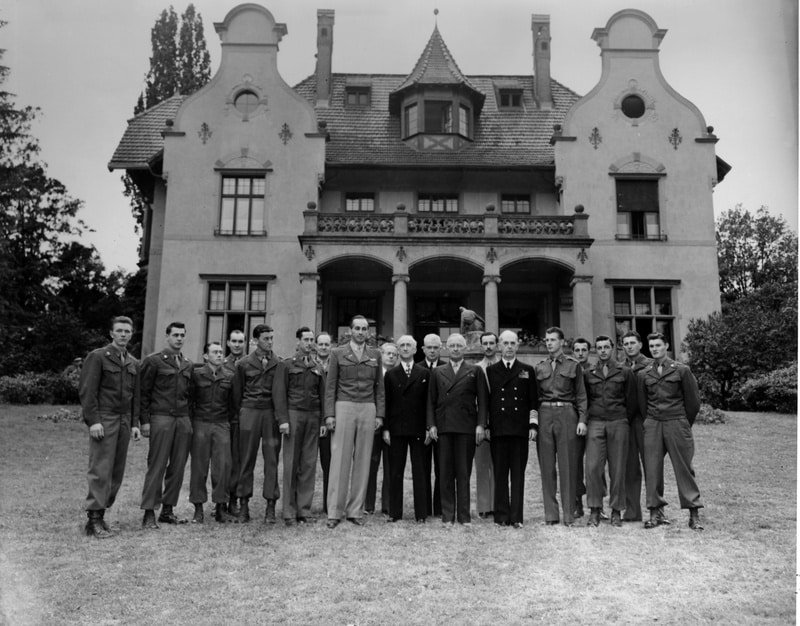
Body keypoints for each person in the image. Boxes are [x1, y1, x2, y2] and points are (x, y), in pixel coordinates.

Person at [79, 316, 141, 538]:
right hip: (104, 419)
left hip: (124, 420)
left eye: (127, 331)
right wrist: (94, 420)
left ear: (132, 334)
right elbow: (88, 391)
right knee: (101, 468)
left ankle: (101, 515)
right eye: (119, 331)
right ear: (111, 333)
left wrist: (134, 423)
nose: (124, 334)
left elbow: (136, 397)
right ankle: (93, 520)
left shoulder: (133, 362)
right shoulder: (98, 357)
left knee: (116, 470)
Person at [638, 333, 704, 530]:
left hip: (676, 421)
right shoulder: (644, 373)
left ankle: (694, 514)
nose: (655, 349)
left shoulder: (681, 370)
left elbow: (693, 402)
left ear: (666, 346)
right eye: (651, 346)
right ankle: (654, 513)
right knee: (652, 468)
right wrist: (650, 422)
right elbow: (643, 404)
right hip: (654, 423)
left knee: (684, 468)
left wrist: (683, 423)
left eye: (658, 345)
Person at [324, 315, 385, 528]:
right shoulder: (337, 353)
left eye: (364, 329)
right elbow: (330, 386)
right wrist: (329, 414)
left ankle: (355, 510)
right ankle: (334, 511)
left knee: (363, 459)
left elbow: (379, 388)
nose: (360, 332)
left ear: (368, 332)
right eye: (357, 328)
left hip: (368, 407)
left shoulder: (375, 354)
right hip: (344, 406)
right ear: (350, 331)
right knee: (339, 459)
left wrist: (379, 415)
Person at [426, 333, 488, 525]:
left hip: (466, 427)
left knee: (463, 472)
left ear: (465, 348)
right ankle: (447, 515)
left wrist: (480, 425)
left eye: (459, 345)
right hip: (444, 427)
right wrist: (431, 425)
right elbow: (430, 401)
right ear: (446, 348)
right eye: (451, 345)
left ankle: (463, 515)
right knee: (444, 472)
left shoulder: (475, 371)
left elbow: (483, 401)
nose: (455, 349)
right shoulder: (437, 372)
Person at [140, 322, 194, 529]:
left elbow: (191, 395)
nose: (179, 338)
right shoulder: (153, 362)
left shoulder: (188, 364)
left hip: (182, 419)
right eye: (175, 335)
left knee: (178, 466)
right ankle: (149, 512)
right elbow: (143, 393)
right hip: (161, 417)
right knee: (157, 465)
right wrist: (144, 421)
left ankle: (168, 510)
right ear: (167, 337)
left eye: (182, 335)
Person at [534, 326, 587, 526]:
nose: (549, 343)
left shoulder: (574, 366)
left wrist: (582, 419)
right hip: (545, 413)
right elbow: (534, 397)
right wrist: (534, 422)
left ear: (562, 342)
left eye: (553, 340)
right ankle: (551, 514)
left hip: (567, 414)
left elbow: (581, 395)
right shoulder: (539, 367)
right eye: (547, 340)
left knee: (568, 465)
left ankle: (569, 514)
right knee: (546, 465)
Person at [485, 330, 538, 528]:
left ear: (518, 346)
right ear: (499, 345)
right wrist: (488, 425)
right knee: (500, 474)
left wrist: (533, 424)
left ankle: (516, 516)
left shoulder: (527, 370)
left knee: (518, 474)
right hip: (498, 429)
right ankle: (501, 515)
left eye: (512, 343)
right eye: (505, 343)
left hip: (519, 429)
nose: (508, 347)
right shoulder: (491, 371)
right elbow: (487, 402)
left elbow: (534, 400)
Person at [232, 324, 284, 523]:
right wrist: (241, 416)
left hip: (270, 413)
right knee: (246, 459)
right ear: (255, 340)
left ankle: (271, 505)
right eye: (266, 339)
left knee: (272, 460)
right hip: (250, 412)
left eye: (272, 338)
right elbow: (237, 394)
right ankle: (243, 504)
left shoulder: (279, 363)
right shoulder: (244, 364)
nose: (270, 342)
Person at [583, 335, 636, 527]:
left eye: (606, 347)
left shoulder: (625, 371)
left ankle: (616, 510)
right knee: (592, 467)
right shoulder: (589, 373)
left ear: (613, 348)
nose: (603, 350)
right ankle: (595, 509)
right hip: (595, 422)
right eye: (599, 347)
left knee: (618, 468)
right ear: (595, 350)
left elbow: (631, 400)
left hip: (618, 422)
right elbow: (585, 399)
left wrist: (622, 419)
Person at [274, 327, 325, 525]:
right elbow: (279, 394)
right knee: (291, 464)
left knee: (309, 464)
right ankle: (288, 511)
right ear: (298, 341)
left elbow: (322, 396)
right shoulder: (286, 365)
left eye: (312, 339)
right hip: (294, 415)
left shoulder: (317, 367)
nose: (309, 343)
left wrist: (322, 421)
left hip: (313, 416)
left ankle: (304, 510)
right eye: (306, 339)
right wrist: (283, 420)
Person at [383, 335, 431, 523]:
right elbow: (386, 402)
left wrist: (428, 426)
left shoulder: (424, 373)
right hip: (396, 428)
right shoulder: (391, 374)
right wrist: (386, 428)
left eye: (408, 345)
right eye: (401, 345)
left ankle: (421, 513)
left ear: (415, 349)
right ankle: (395, 512)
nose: (404, 348)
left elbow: (429, 402)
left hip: (418, 428)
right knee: (396, 471)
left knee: (420, 471)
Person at [189, 341, 235, 524]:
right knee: (199, 467)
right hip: (201, 423)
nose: (219, 355)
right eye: (215, 352)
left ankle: (220, 507)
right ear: (205, 356)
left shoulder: (230, 376)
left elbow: (233, 403)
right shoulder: (197, 375)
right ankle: (198, 508)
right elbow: (190, 400)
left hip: (221, 423)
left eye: (221, 352)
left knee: (223, 467)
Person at [620, 330, 653, 522]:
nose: (629, 346)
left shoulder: (649, 365)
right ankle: (632, 511)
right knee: (629, 466)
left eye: (632, 343)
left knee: (651, 466)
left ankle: (655, 509)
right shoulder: (619, 367)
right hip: (626, 421)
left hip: (645, 420)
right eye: (625, 343)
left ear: (640, 345)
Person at [365, 342, 397, 515]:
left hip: (392, 428)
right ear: (381, 355)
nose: (391, 356)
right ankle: (368, 505)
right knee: (371, 465)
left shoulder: (399, 375)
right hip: (373, 426)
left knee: (390, 466)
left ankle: (388, 505)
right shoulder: (374, 375)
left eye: (394, 354)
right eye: (387, 353)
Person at [419, 333, 445, 518]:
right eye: (429, 347)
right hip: (421, 427)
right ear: (423, 349)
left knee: (442, 468)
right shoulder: (416, 368)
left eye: (436, 347)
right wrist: (427, 426)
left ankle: (440, 508)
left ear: (441, 348)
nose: (433, 350)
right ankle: (425, 507)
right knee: (423, 468)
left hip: (443, 426)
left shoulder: (447, 367)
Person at [474, 332, 498, 520]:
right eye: (485, 343)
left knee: (499, 465)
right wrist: (481, 423)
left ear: (496, 345)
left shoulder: (504, 367)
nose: (488, 346)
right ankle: (483, 505)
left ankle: (497, 503)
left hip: (501, 423)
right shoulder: (475, 369)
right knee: (482, 465)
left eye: (491, 343)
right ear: (481, 346)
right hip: (481, 421)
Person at [223, 329, 246, 517]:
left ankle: (234, 499)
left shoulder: (248, 364)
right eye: (234, 341)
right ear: (228, 343)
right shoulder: (222, 365)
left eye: (240, 341)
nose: (237, 344)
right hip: (225, 419)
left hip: (243, 420)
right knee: (224, 461)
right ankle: (220, 500)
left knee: (239, 461)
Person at [571, 337, 592, 518]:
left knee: (595, 465)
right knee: (576, 463)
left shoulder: (595, 370)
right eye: (576, 350)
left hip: (596, 422)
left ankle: (596, 503)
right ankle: (578, 502)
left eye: (583, 350)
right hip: (577, 422)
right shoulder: (571, 370)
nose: (580, 353)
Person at [314, 332, 333, 514]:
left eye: (327, 344)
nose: (324, 347)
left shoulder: (335, 366)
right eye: (321, 344)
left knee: (329, 464)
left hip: (329, 422)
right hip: (312, 420)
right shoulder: (310, 365)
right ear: (316, 346)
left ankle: (329, 504)